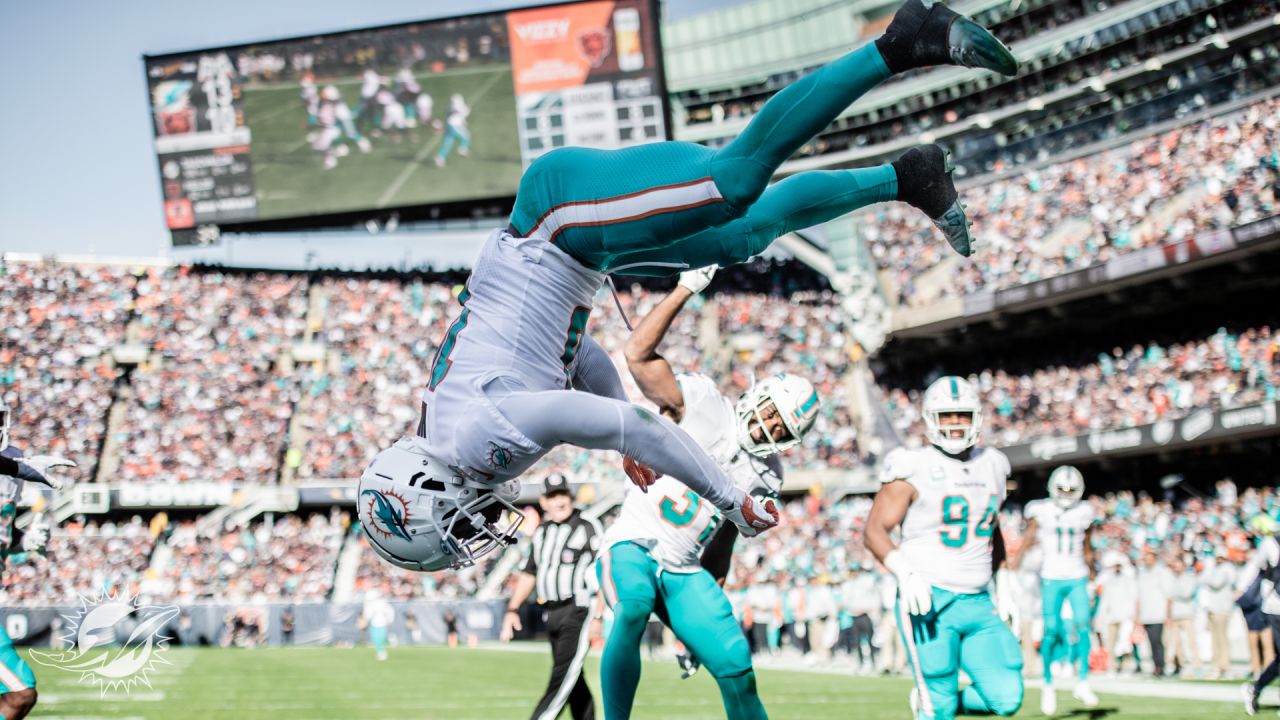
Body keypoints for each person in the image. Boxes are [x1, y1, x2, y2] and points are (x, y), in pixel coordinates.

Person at [355, 0, 1020, 573]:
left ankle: (904, 40)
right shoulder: (453, 431)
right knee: (743, 236)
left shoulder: (478, 441)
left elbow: (627, 423)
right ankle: (907, 178)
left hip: (560, 222)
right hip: (581, 249)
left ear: (426, 488)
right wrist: (623, 435)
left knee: (730, 182)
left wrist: (727, 494)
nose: (474, 531)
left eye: (455, 526)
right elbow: (573, 357)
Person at [595, 267, 822, 719]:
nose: (770, 425)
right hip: (634, 543)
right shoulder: (702, 401)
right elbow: (637, 355)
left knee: (736, 664)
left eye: (782, 427)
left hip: (682, 569)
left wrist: (703, 612)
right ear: (759, 395)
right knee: (634, 606)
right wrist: (687, 288)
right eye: (774, 413)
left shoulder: (768, 475)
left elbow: (723, 542)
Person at [866, 376, 1023, 720]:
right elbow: (874, 531)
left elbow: (989, 526)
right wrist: (905, 573)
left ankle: (949, 702)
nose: (955, 424)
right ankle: (936, 703)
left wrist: (1005, 579)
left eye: (962, 415)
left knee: (1007, 697)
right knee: (939, 705)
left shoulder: (994, 463)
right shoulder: (912, 465)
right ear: (929, 419)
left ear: (976, 418)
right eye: (946, 416)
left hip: (979, 600)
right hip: (930, 599)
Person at [501, 476, 601, 720]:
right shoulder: (543, 532)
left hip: (578, 609)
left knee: (562, 677)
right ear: (544, 502)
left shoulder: (588, 526)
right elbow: (530, 573)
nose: (559, 502)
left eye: (563, 495)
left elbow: (605, 570)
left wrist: (599, 615)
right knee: (573, 680)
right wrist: (512, 609)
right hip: (551, 611)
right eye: (553, 497)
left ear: (571, 497)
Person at [0, 402, 73, 720]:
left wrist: (22, 541)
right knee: (20, 692)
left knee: (20, 693)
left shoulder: (14, 458)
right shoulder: (15, 465)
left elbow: (5, 533)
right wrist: (19, 469)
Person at [1010, 466, 1099, 713]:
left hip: (1077, 573)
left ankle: (1082, 681)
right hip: (1051, 574)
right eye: (1063, 489)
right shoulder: (1041, 509)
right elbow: (1029, 536)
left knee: (1083, 625)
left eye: (1071, 489)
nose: (1067, 493)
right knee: (1051, 629)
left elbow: (1088, 544)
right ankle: (1048, 683)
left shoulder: (1085, 511)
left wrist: (1092, 568)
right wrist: (1016, 560)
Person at [1240, 516, 1280, 715]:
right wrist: (1241, 589)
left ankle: (1255, 689)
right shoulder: (1270, 543)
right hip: (1276, 606)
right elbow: (1255, 567)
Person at [1135, 550, 1174, 677]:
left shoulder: (1162, 573)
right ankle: (1156, 665)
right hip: (1146, 614)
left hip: (1158, 613)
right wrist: (1138, 615)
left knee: (1157, 641)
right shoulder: (1142, 574)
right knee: (1151, 642)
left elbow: (1168, 595)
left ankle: (1160, 665)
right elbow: (1139, 596)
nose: (1147, 560)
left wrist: (1168, 614)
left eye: (1149, 558)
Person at [360, 589, 396, 661]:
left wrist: (389, 620)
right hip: (374, 623)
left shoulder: (382, 603)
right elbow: (368, 614)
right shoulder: (371, 605)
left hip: (382, 623)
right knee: (375, 639)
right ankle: (380, 651)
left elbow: (389, 612)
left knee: (380, 638)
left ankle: (382, 651)